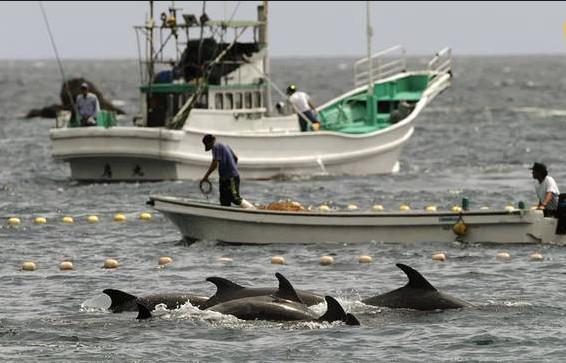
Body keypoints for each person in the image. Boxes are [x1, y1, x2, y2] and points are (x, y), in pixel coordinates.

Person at [200, 134, 254, 208]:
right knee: (224, 200)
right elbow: (236, 158)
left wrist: (206, 176)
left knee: (235, 198)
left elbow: (215, 163)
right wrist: (232, 169)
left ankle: (252, 209)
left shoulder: (215, 147)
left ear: (209, 143)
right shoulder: (224, 145)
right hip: (227, 178)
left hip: (231, 178)